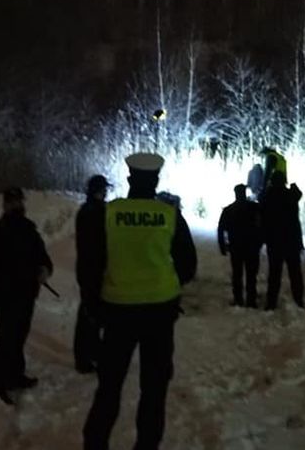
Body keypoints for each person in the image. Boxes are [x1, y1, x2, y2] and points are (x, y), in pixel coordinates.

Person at [83, 152, 197, 450]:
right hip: (159, 313)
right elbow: (188, 265)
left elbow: (90, 265)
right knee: (154, 390)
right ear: (155, 181)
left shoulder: (108, 214)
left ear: (130, 179)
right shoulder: (169, 215)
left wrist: (94, 307)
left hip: (117, 312)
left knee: (109, 387)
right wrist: (165, 283)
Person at [0, 187, 54, 405]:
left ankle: (15, 376)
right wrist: (0, 295)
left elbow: (42, 255)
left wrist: (44, 269)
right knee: (5, 339)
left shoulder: (28, 229)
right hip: (6, 296)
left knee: (19, 337)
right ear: (5, 204)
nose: (17, 205)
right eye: (12, 202)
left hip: (26, 294)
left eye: (19, 201)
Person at [74, 174, 110, 374]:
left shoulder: (89, 210)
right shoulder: (94, 212)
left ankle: (93, 352)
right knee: (89, 314)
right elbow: (97, 243)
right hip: (92, 270)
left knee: (93, 313)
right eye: (104, 190)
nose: (106, 193)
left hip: (89, 269)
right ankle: (83, 357)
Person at [259, 172, 305, 310]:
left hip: (275, 241)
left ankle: (271, 303)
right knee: (295, 273)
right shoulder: (290, 195)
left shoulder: (268, 196)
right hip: (292, 240)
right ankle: (298, 300)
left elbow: (261, 207)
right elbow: (298, 194)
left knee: (274, 273)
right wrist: (293, 186)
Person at [217, 184, 263, 308]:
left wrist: (222, 246)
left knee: (237, 274)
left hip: (236, 247)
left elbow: (221, 229)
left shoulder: (229, 210)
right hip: (252, 247)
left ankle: (238, 299)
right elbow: (262, 225)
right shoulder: (254, 208)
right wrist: (260, 242)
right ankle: (251, 300)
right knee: (251, 275)